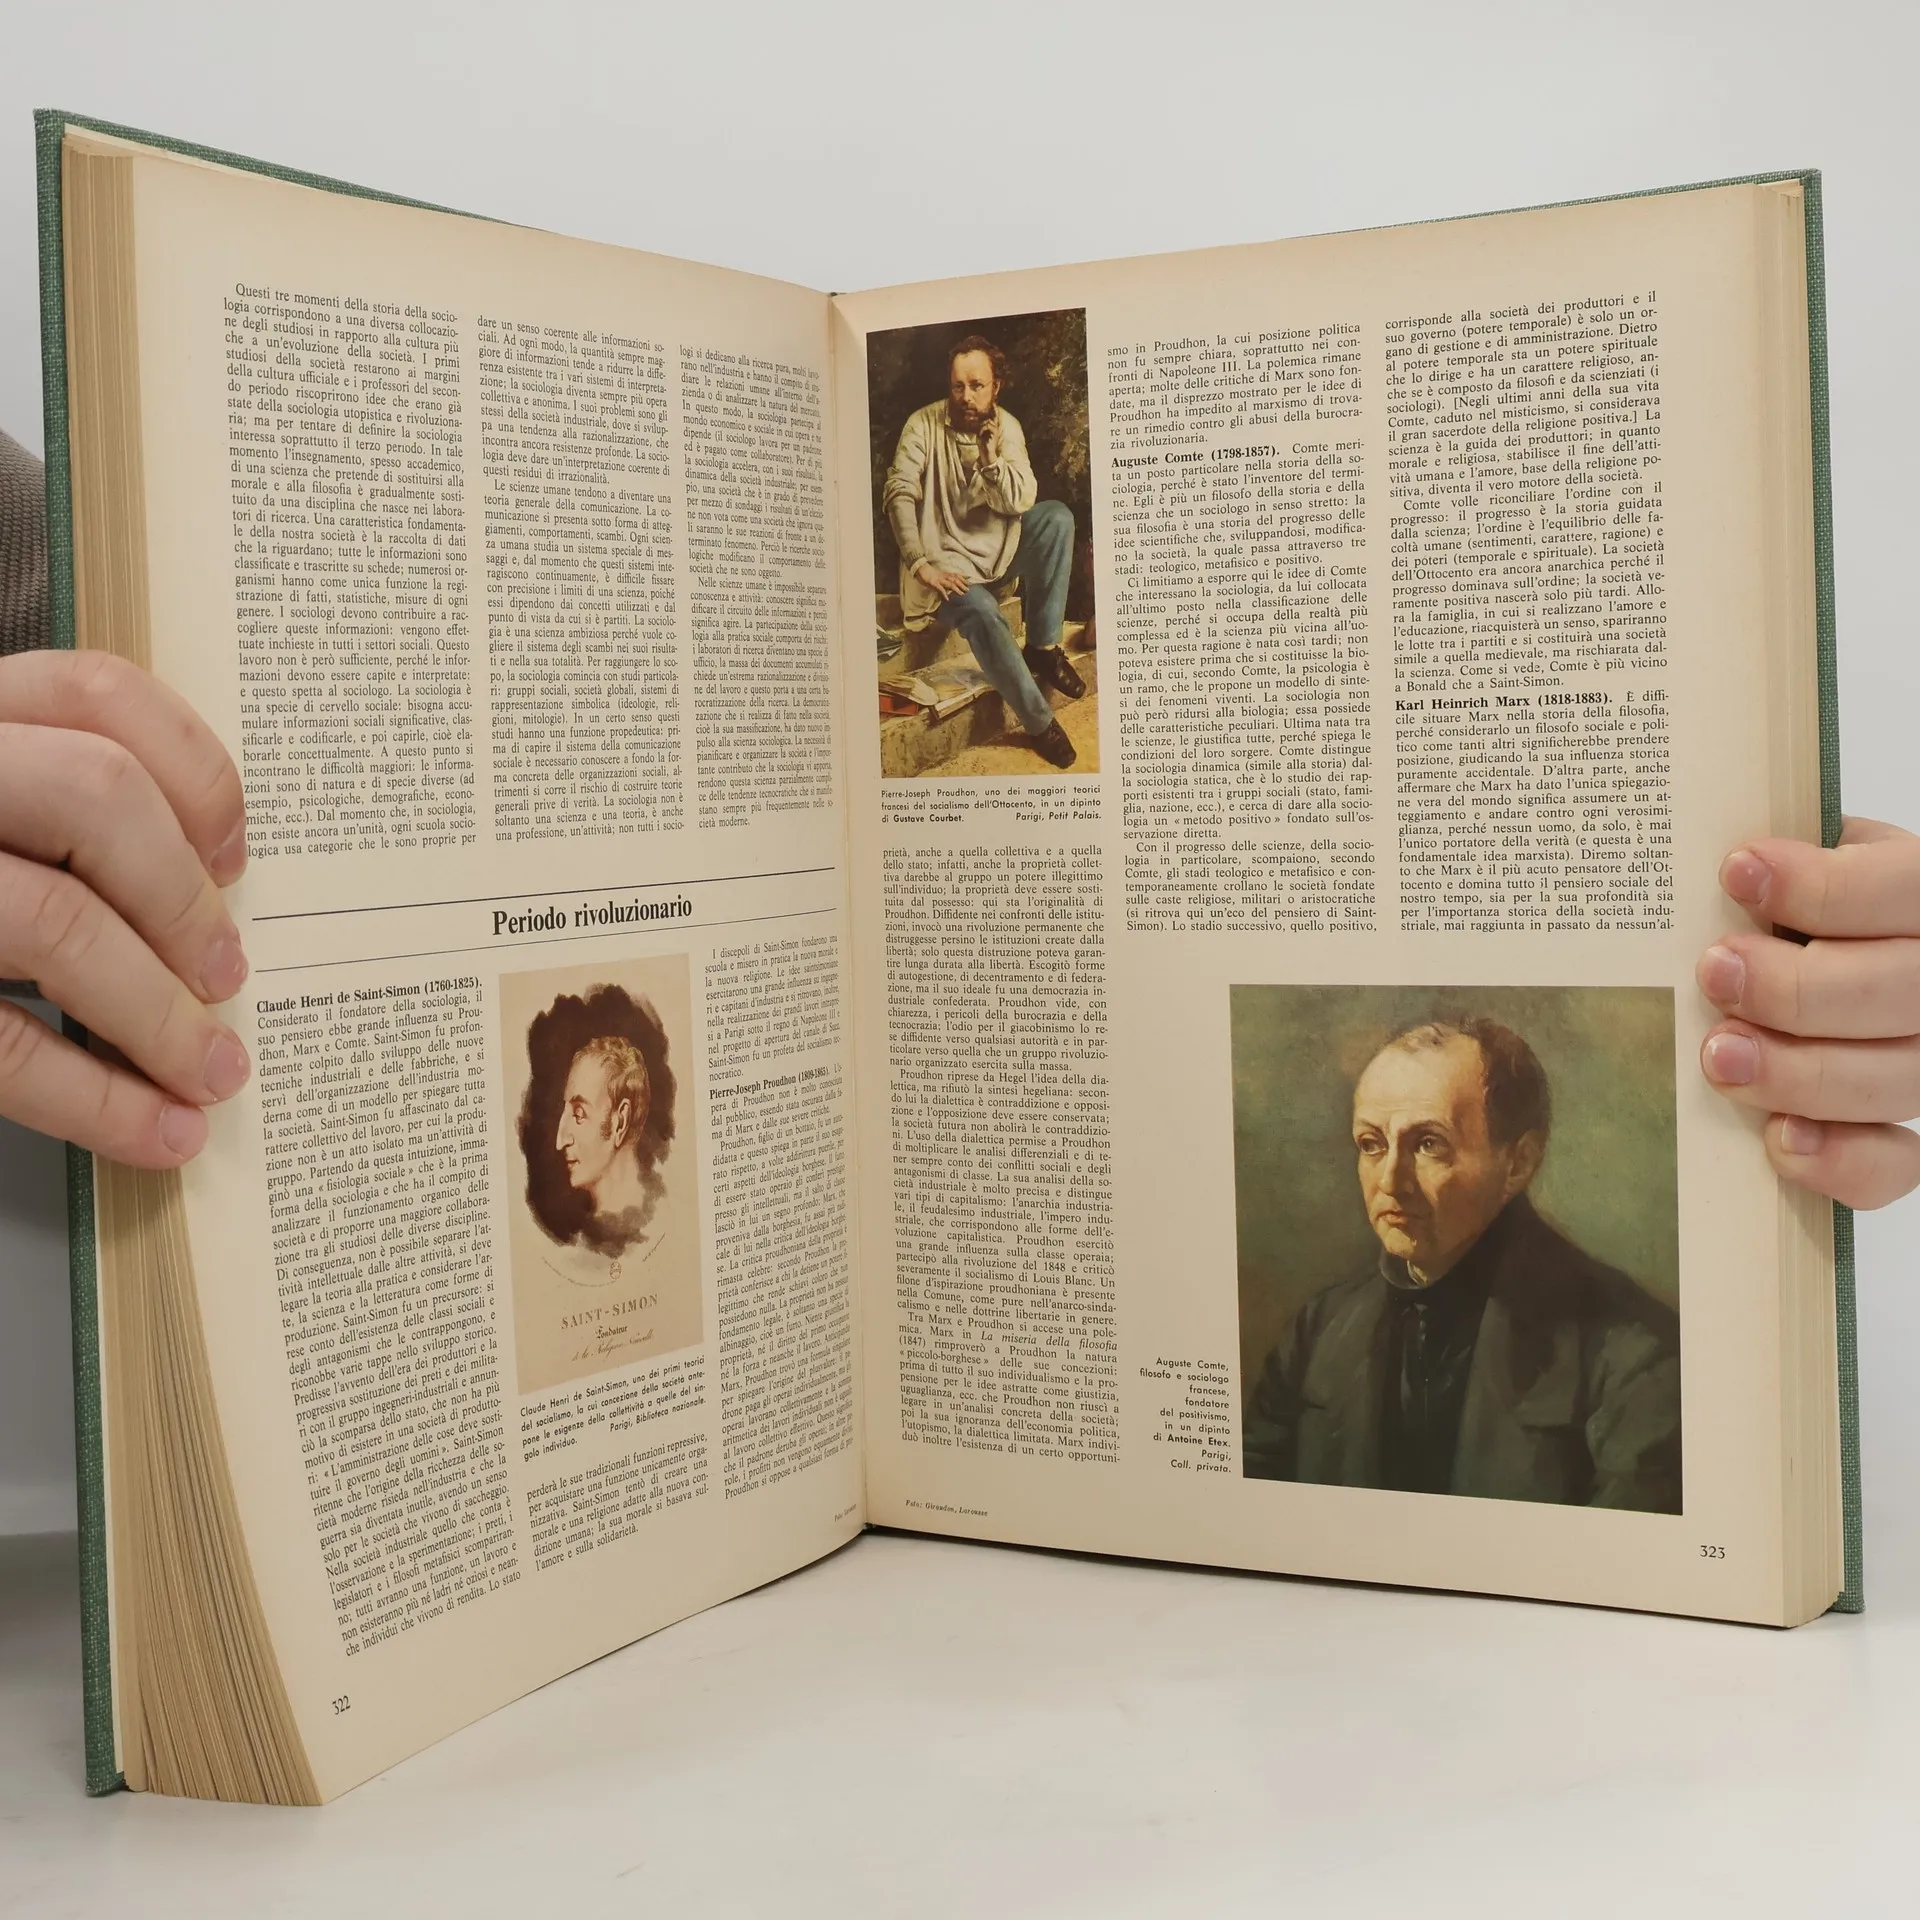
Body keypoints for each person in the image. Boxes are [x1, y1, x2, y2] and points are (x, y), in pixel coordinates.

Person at [2, 418, 1918, 1211]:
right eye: (1376, 1142)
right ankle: (1035, 698)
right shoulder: (922, 455)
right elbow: (929, 543)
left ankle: (1042, 687)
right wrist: (959, 572)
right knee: (994, 613)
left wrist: (1780, 921)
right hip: (939, 597)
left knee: (1047, 556)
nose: (1395, 1180)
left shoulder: (31, 542)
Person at [1241, 1019, 1681, 1507]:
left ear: (1518, 1163)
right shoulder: (1320, 1329)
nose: (1390, 1181)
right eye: (1372, 1144)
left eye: (1428, 1144)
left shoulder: (1634, 1353)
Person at [882, 336, 1083, 769]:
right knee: (985, 611)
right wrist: (920, 564)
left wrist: (991, 462)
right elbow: (899, 493)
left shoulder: (1007, 427)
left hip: (996, 554)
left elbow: (1022, 500)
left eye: (976, 386)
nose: (966, 397)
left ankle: (1043, 648)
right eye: (958, 386)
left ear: (997, 386)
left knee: (1056, 518)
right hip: (943, 569)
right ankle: (1039, 722)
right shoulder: (922, 425)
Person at [554, 1034, 657, 1240]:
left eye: (579, 1114)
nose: (560, 1141)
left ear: (620, 1122)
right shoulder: (579, 1239)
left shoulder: (658, 1221)